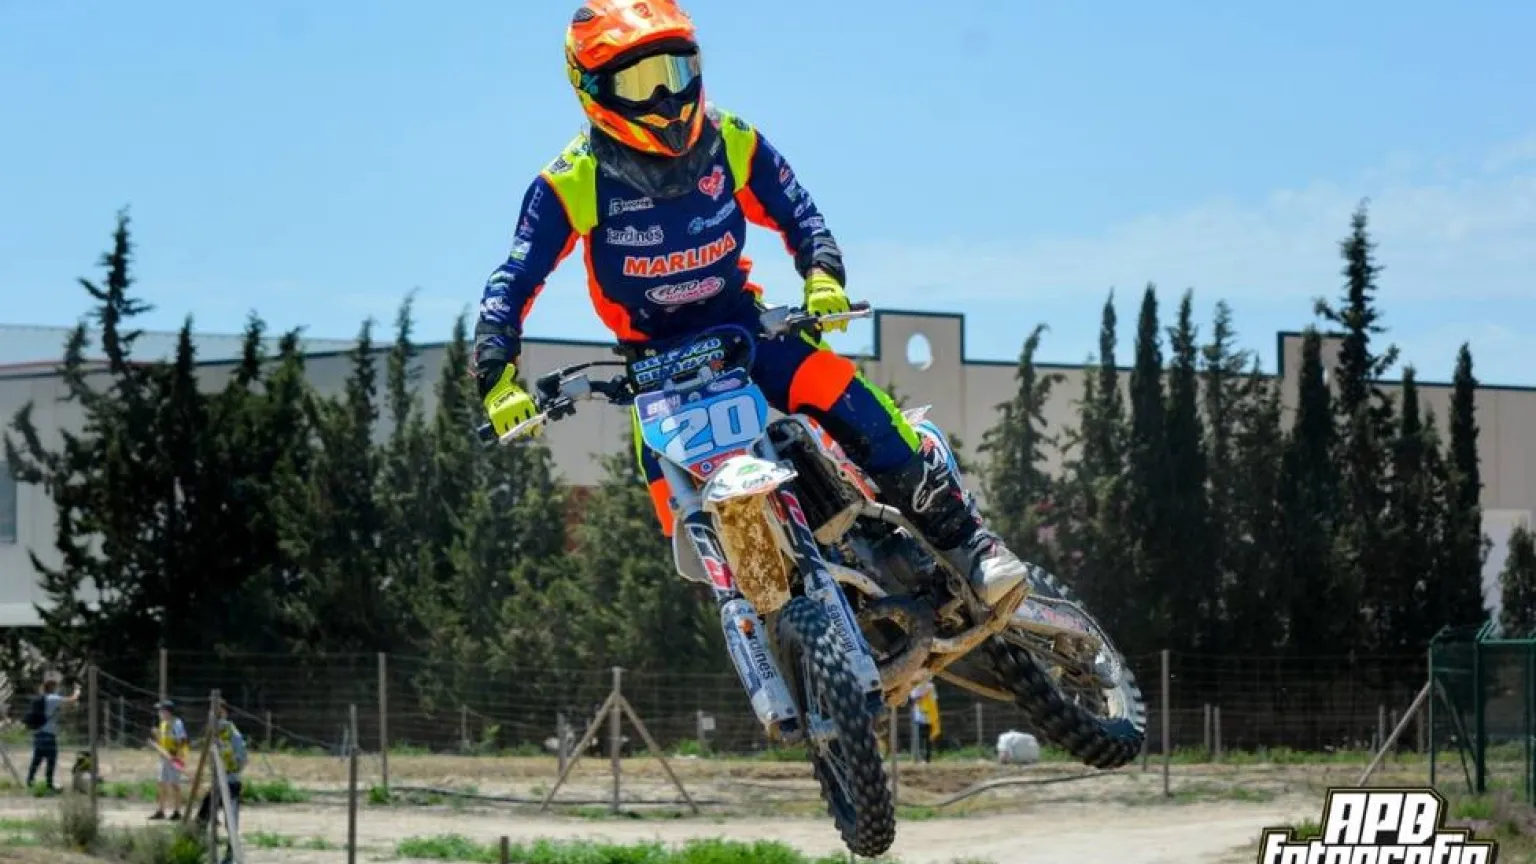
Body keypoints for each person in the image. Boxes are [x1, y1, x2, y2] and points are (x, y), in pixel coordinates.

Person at [473, 0, 1028, 611]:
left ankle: (969, 543)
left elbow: (801, 215)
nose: (665, 98)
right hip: (656, 369)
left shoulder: (730, 138)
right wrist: (497, 379)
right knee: (679, 517)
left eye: (676, 72)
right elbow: (514, 279)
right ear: (592, 89)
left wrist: (822, 279)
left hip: (745, 329)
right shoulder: (570, 180)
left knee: (836, 388)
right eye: (639, 82)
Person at [195, 700, 248, 864]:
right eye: (212, 712)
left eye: (218, 712)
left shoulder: (233, 734)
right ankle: (197, 846)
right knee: (203, 814)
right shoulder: (212, 733)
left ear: (225, 712)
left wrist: (230, 768)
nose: (215, 715)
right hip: (217, 782)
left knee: (230, 821)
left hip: (230, 782)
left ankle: (231, 854)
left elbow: (242, 759)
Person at [24, 678, 79, 794]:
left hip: (39, 733)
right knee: (51, 760)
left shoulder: (43, 699)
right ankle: (49, 784)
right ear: (52, 687)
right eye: (56, 686)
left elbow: (63, 708)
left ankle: (30, 781)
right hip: (48, 735)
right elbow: (72, 699)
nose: (58, 688)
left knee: (36, 760)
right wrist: (77, 691)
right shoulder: (53, 698)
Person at [149, 700, 189, 821]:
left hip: (174, 758)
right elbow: (162, 741)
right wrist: (156, 736)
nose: (159, 713)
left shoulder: (177, 723)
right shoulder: (162, 724)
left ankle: (177, 811)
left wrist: (178, 757)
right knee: (161, 783)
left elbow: (183, 740)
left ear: (167, 711)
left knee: (174, 784)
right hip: (164, 758)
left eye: (161, 710)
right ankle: (161, 811)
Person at [909, 681, 940, 763]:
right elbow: (912, 698)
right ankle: (919, 757)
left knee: (928, 738)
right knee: (919, 737)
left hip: (929, 715)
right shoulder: (914, 686)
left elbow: (934, 699)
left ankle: (927, 758)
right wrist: (922, 694)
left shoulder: (930, 686)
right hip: (919, 715)